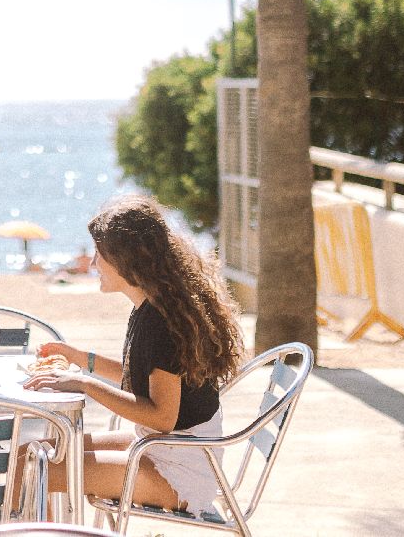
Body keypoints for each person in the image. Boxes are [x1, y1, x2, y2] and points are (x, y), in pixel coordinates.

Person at [24, 195, 245, 514]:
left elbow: (161, 417)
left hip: (178, 470)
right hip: (167, 449)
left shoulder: (160, 323)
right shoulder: (155, 307)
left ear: (126, 260)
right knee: (37, 452)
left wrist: (84, 385)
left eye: (100, 256)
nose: (92, 265)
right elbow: (140, 378)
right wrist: (78, 358)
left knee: (34, 468)